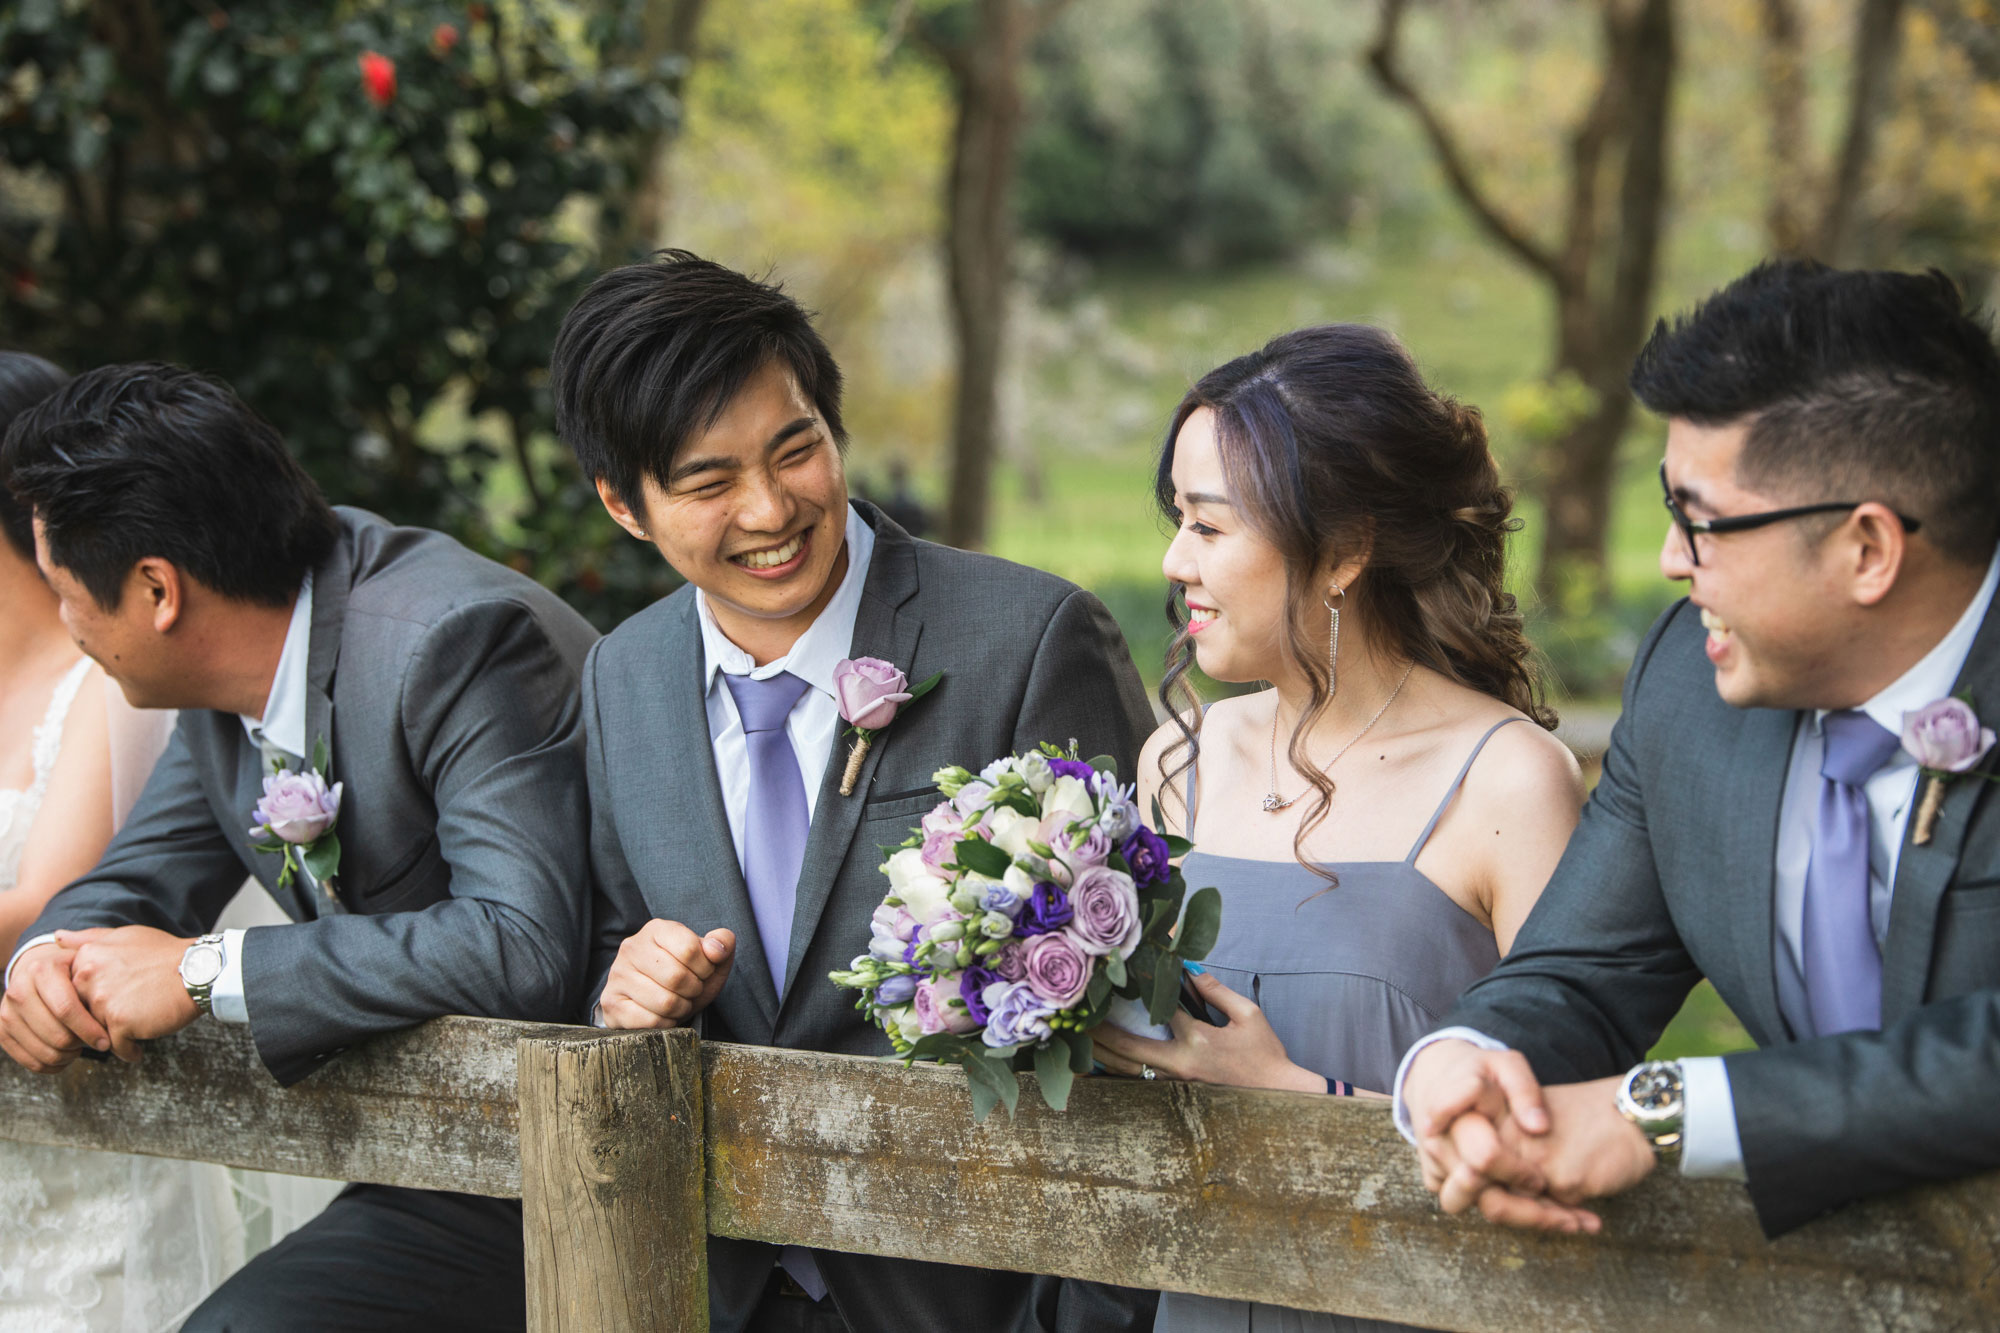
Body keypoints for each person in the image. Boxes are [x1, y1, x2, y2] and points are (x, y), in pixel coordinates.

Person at [555, 250, 1159, 1333]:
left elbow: (1139, 1012)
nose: (770, 507)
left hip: (967, 1297)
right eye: (708, 482)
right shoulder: (621, 677)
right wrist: (623, 988)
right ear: (624, 504)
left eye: (796, 449)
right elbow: (607, 936)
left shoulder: (1024, 640)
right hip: (712, 1290)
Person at [1397, 260, 2000, 1239]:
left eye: (1702, 522)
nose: (1671, 561)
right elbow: (1579, 974)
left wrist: (1668, 1113)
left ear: (1866, 549)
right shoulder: (1688, 679)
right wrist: (1463, 1063)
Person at [0, 363, 600, 1332]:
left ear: (157, 589)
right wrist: (41, 967)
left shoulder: (448, 643)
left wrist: (202, 968)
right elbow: (131, 882)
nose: (68, 630)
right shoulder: (221, 680)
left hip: (585, 1152)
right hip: (437, 1148)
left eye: (68, 594)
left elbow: (517, 946)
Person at [1087, 326, 1583, 1331]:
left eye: (1210, 525)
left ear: (1346, 547)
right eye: (1175, 519)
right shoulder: (1176, 760)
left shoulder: (1509, 781)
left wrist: (1288, 1092)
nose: (1174, 560)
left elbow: (1571, 1137)